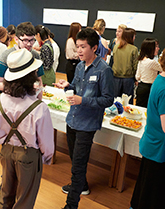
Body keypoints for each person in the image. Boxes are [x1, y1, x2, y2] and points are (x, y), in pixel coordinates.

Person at [53, 28, 114, 209]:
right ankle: (82, 185)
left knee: (78, 165)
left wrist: (82, 100)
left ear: (94, 48)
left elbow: (108, 99)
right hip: (72, 119)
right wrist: (67, 86)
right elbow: (78, 90)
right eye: (77, 46)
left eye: (83, 47)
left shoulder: (104, 70)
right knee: (75, 159)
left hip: (87, 124)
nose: (79, 50)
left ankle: (71, 205)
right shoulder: (79, 66)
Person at [0, 48, 54, 209]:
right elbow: (46, 144)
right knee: (24, 199)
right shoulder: (39, 107)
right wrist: (46, 158)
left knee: (5, 193)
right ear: (31, 76)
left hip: (5, 151)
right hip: (28, 155)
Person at [130, 40, 165, 209]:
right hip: (162, 151)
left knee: (146, 192)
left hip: (155, 147)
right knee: (154, 197)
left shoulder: (163, 79)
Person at [0, 21, 45, 97]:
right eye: (25, 40)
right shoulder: (6, 55)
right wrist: (22, 89)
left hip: (29, 100)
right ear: (16, 39)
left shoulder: (35, 55)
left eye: (32, 40)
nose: (29, 44)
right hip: (11, 99)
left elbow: (39, 80)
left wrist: (39, 101)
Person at [112, 28, 138, 104]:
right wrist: (135, 78)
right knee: (127, 101)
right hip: (128, 78)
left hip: (115, 77)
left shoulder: (116, 47)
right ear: (131, 37)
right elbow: (135, 65)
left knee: (115, 100)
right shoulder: (134, 49)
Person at [135, 38, 162, 107]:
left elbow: (137, 76)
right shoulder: (152, 62)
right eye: (156, 46)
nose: (158, 48)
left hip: (141, 87)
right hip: (149, 89)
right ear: (150, 48)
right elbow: (164, 69)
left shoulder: (141, 60)